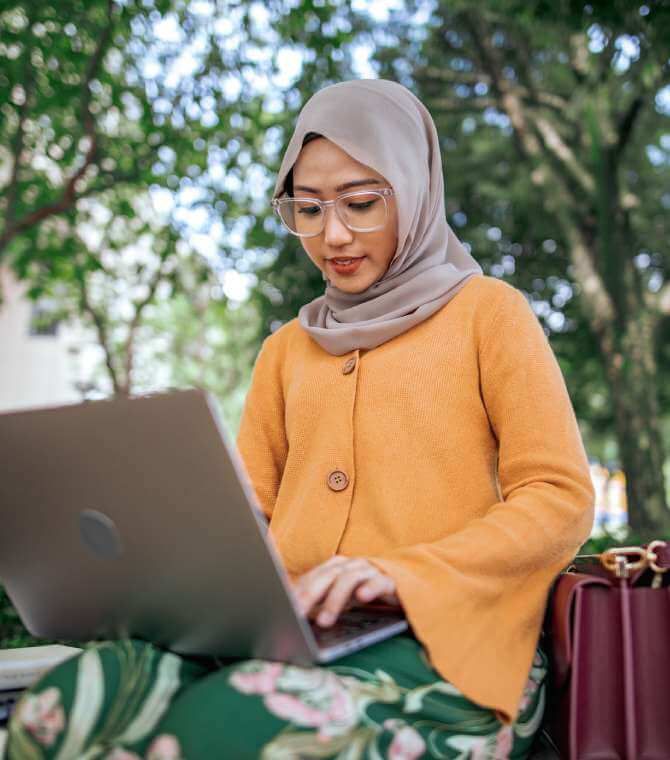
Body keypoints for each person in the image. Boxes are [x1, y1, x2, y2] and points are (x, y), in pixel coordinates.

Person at [5, 79, 594, 759]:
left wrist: (405, 572)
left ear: (413, 188)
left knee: (225, 728)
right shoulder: (286, 349)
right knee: (69, 704)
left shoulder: (489, 314)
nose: (332, 234)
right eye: (307, 209)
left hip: (452, 646)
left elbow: (559, 498)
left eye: (362, 203)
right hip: (284, 636)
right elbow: (248, 506)